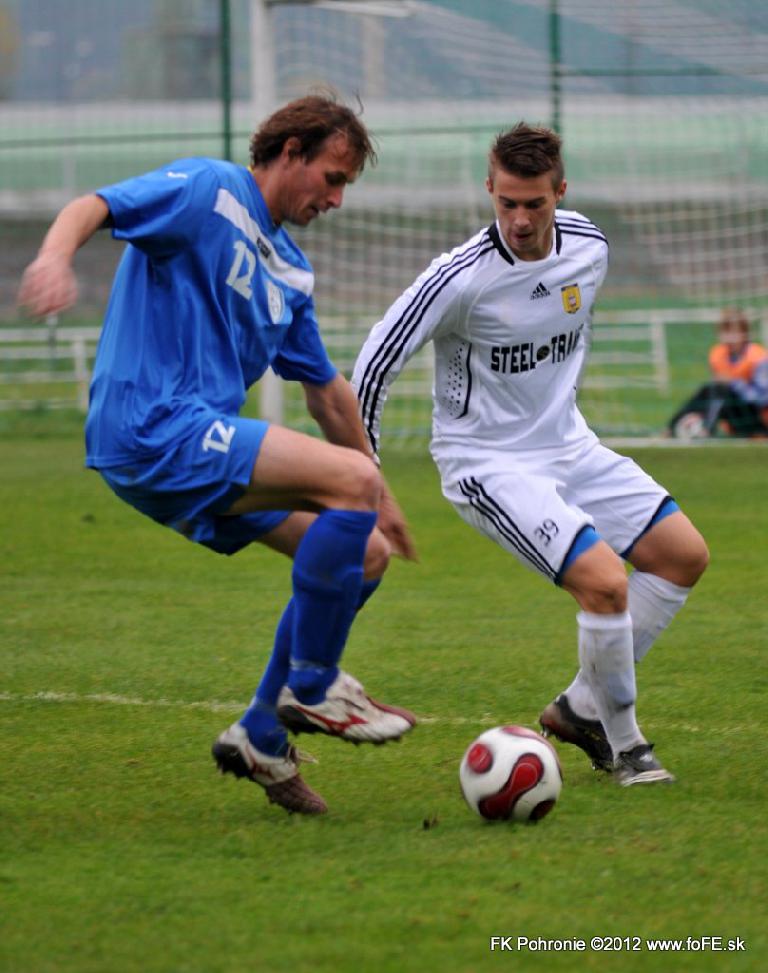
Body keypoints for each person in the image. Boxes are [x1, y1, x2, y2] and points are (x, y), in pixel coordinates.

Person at [17, 94, 417, 816]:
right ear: (290, 152)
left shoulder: (291, 270)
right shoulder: (210, 190)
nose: (335, 198)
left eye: (345, 187)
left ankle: (263, 734)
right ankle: (314, 683)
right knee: (349, 483)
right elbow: (94, 205)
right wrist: (53, 258)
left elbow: (326, 391)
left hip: (192, 451)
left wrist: (381, 497)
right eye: (331, 177)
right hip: (154, 425)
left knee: (367, 553)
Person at [353, 122, 709, 786]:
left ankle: (579, 706)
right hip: (487, 463)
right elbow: (370, 369)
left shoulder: (590, 249)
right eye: (506, 202)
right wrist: (360, 477)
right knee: (604, 581)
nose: (518, 220)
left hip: (569, 445)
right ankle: (627, 744)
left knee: (683, 555)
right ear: (489, 189)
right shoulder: (457, 279)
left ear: (560, 193)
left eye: (534, 204)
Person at [667, 308, 768, 438]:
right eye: (725, 333)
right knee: (708, 389)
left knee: (721, 389)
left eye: (734, 333)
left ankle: (706, 430)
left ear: (745, 334)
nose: (729, 338)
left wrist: (734, 383)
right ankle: (671, 427)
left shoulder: (758, 358)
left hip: (757, 418)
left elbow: (762, 398)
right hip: (731, 415)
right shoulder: (717, 354)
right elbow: (712, 395)